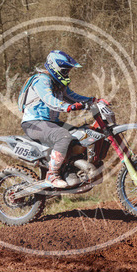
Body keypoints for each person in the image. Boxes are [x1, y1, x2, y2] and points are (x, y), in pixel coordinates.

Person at [21, 50, 99, 188]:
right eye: (65, 70)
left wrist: (93, 100)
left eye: (68, 71)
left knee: (82, 134)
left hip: (51, 123)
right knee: (64, 136)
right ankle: (51, 175)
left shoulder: (59, 84)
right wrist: (67, 107)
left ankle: (69, 170)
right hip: (34, 123)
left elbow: (73, 97)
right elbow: (49, 100)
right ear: (55, 68)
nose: (67, 73)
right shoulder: (42, 80)